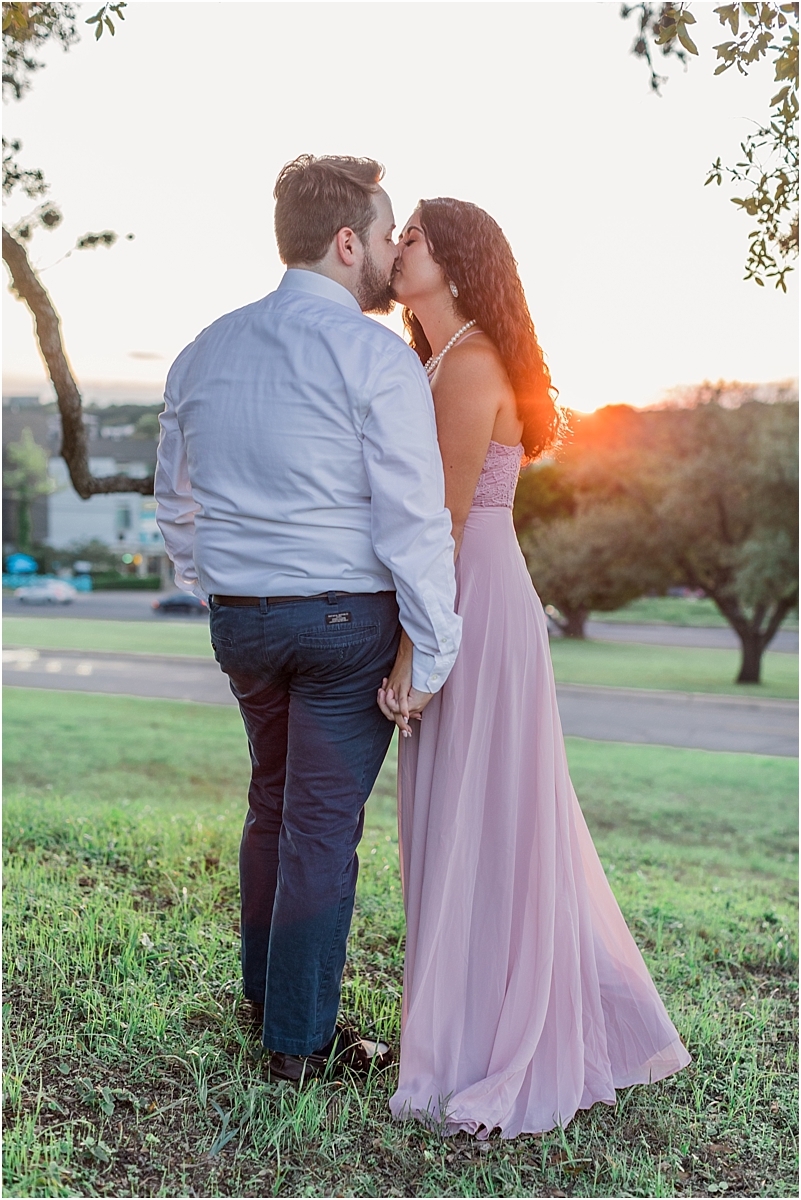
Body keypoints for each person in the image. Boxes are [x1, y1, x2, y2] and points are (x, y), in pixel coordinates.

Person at [379, 198, 690, 1138]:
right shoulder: (428, 355)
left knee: (485, 815)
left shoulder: (470, 363)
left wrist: (412, 656)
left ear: (458, 261)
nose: (397, 248)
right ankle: (455, 1026)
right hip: (453, 594)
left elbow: (436, 518)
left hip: (474, 605)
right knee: (456, 814)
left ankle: (483, 1047)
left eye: (413, 238)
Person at [155, 157, 462, 1084]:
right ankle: (299, 1043)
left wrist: (218, 584)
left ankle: (266, 997)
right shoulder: (374, 356)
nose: (386, 252)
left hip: (241, 622)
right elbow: (411, 516)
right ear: (345, 242)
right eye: (381, 235)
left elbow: (175, 503)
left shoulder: (204, 347)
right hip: (342, 627)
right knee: (320, 828)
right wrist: (434, 649)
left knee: (272, 806)